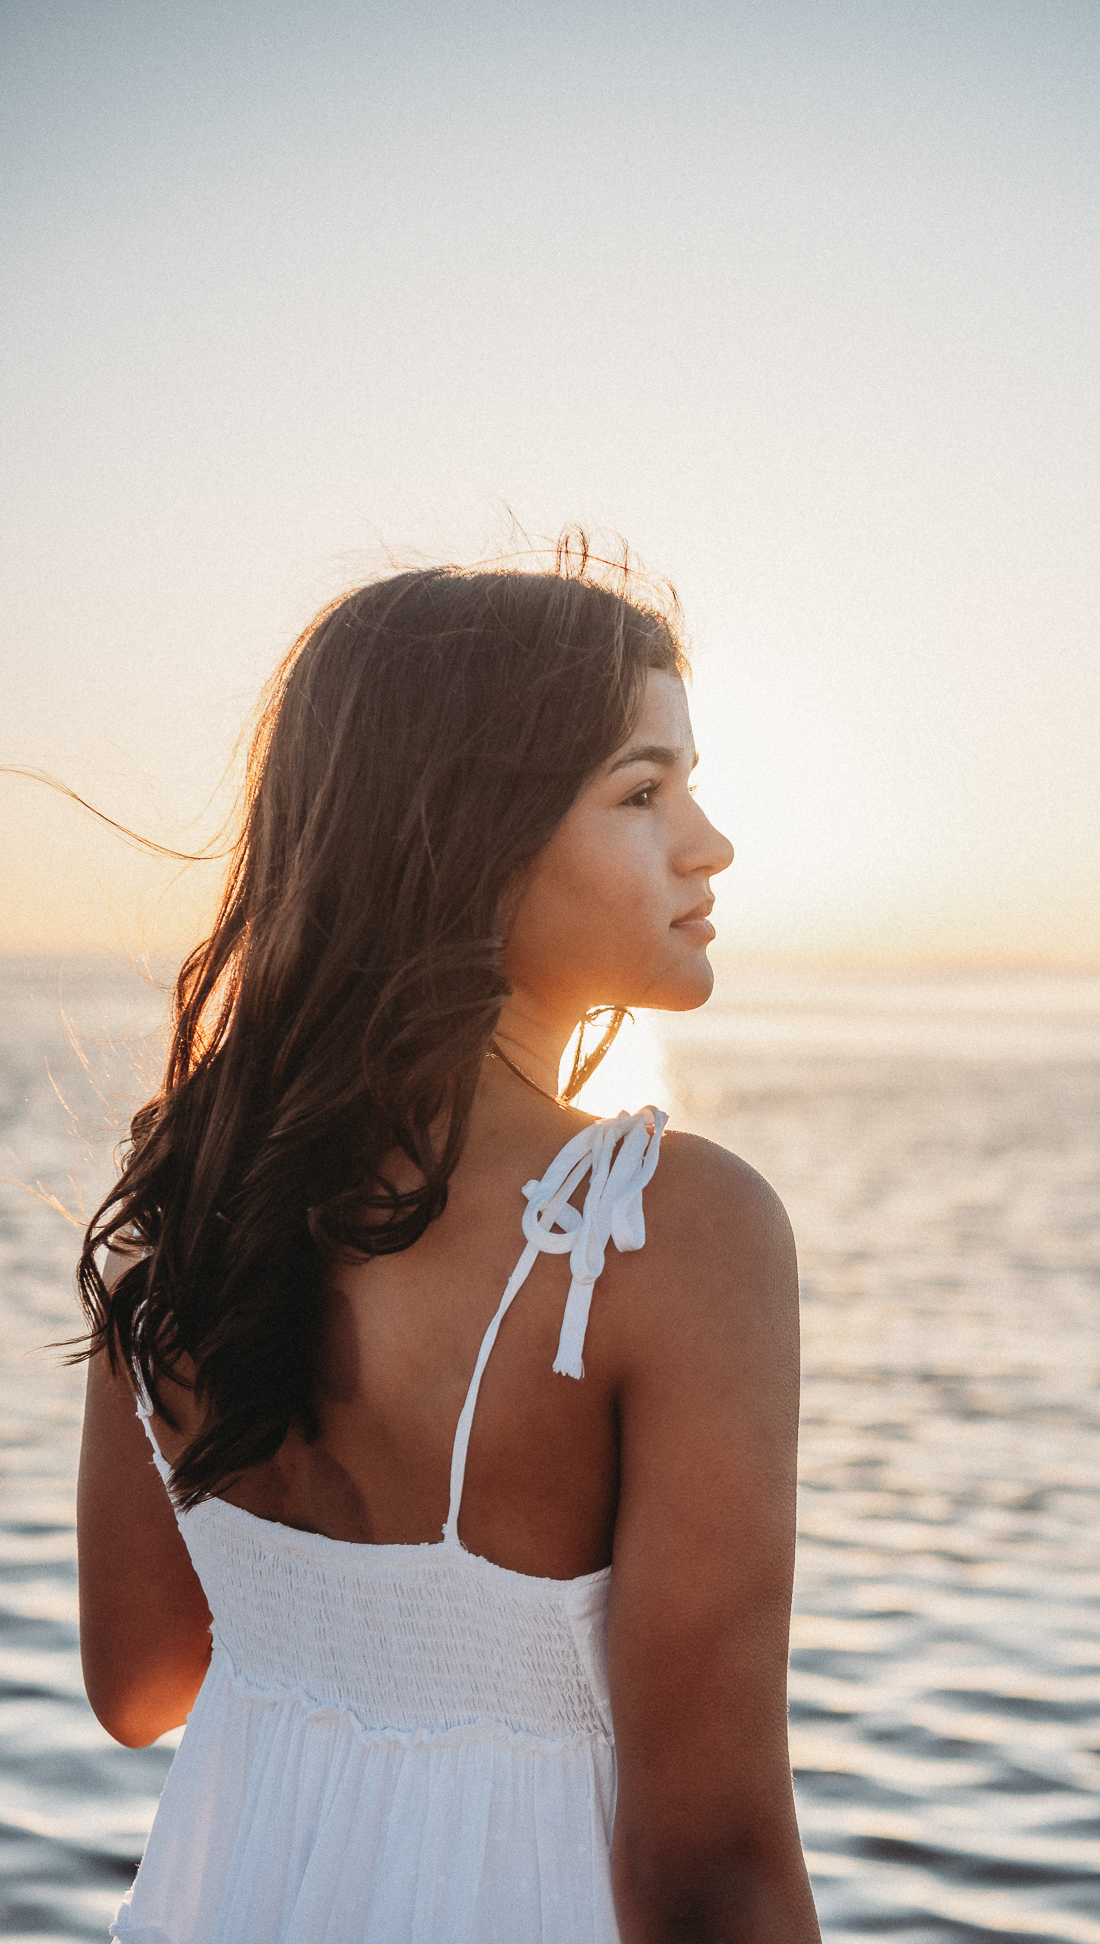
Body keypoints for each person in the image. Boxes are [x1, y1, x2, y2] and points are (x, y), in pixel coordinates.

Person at [74, 545, 821, 1943]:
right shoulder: (670, 1234)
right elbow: (707, 1859)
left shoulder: (191, 1195)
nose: (707, 843)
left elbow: (141, 1683)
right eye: (644, 792)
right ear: (473, 836)